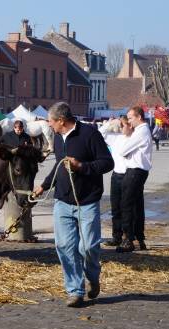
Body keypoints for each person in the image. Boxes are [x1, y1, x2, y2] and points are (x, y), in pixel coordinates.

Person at [33, 102, 114, 308]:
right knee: (64, 246)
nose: (49, 125)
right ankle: (75, 291)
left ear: (61, 121)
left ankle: (93, 277)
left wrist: (82, 167)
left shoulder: (90, 134)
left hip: (87, 201)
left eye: (51, 122)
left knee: (88, 247)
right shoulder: (58, 139)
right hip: (62, 200)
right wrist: (44, 186)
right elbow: (59, 165)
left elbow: (107, 163)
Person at [116, 106, 153, 253]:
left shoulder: (141, 131)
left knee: (126, 204)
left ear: (139, 117)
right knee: (137, 205)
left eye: (130, 118)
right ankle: (138, 237)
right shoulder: (142, 131)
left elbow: (122, 150)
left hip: (135, 170)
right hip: (138, 170)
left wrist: (126, 136)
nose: (129, 122)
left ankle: (128, 239)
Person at [99, 117, 129, 247]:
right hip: (116, 174)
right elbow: (100, 133)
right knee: (115, 208)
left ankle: (128, 236)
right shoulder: (114, 137)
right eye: (120, 124)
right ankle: (116, 236)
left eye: (123, 124)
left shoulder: (133, 137)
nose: (121, 127)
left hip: (129, 174)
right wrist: (110, 123)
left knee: (127, 208)